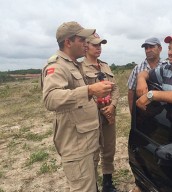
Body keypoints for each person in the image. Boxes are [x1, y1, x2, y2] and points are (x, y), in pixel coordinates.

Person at [42, 21, 114, 192]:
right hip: (76, 145)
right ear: (68, 42)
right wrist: (89, 90)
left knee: (90, 184)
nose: (86, 43)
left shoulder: (74, 64)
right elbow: (51, 98)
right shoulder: (57, 66)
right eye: (81, 40)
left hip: (87, 139)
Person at [81, 32, 119, 192]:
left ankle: (107, 182)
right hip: (92, 118)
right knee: (92, 153)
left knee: (109, 149)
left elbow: (115, 88)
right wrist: (101, 108)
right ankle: (93, 185)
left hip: (109, 115)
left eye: (100, 45)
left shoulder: (105, 66)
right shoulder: (80, 68)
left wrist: (113, 106)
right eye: (95, 44)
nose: (99, 48)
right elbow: (83, 93)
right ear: (85, 46)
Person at [127, 37, 165, 114]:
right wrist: (133, 112)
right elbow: (131, 92)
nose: (148, 50)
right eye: (146, 48)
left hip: (163, 111)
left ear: (160, 49)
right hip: (144, 112)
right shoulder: (137, 69)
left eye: (151, 47)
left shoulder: (167, 67)